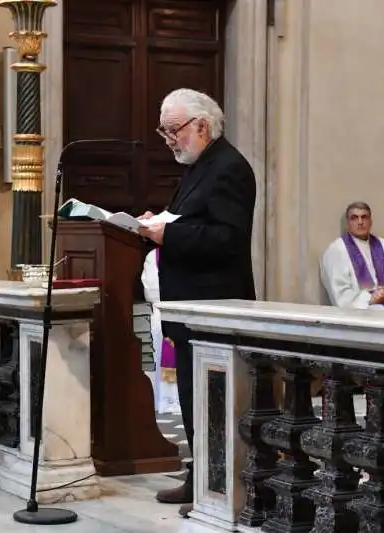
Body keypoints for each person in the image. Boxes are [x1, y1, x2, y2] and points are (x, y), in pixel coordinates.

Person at [138, 88, 257, 516]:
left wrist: (168, 234)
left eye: (173, 130)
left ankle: (220, 488)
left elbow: (228, 238)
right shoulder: (197, 167)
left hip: (215, 308)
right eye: (164, 130)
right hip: (190, 309)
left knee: (216, 404)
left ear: (202, 126)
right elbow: (195, 223)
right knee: (193, 399)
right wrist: (162, 223)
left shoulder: (229, 168)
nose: (168, 139)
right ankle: (201, 479)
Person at [320, 202, 384, 312]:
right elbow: (340, 293)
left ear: (371, 221)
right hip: (359, 309)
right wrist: (371, 299)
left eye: (364, 217)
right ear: (348, 223)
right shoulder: (337, 251)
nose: (360, 222)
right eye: (354, 218)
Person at [140, 249, 181, 415]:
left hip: (165, 310)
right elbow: (149, 290)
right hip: (166, 311)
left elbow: (150, 290)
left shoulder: (152, 254)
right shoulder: (152, 255)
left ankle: (167, 400)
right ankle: (166, 399)